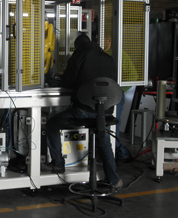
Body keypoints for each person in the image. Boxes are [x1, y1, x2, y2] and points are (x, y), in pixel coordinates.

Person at [44, 34, 122, 188]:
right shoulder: (108, 58)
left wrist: (62, 77)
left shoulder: (78, 57)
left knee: (52, 124)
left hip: (83, 112)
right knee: (104, 139)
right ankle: (113, 179)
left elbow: (68, 82)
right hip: (105, 112)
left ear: (77, 46)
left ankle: (58, 164)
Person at [103, 37, 137, 164]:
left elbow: (133, 76)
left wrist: (117, 90)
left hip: (114, 96)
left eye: (102, 39)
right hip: (105, 96)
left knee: (111, 127)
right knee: (107, 126)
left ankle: (121, 153)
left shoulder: (119, 55)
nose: (99, 42)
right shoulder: (102, 55)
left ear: (109, 41)